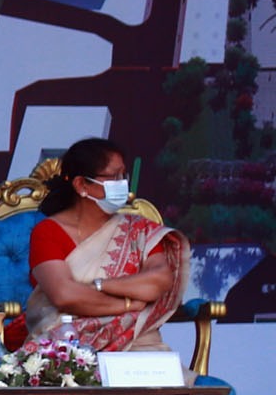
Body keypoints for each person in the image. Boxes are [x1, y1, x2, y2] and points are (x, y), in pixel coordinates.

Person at [22, 136, 189, 351]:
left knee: (163, 371)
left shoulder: (137, 230)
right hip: (68, 346)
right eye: (114, 177)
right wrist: (128, 304)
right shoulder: (48, 232)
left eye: (123, 175)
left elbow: (158, 281)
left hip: (138, 344)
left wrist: (100, 285)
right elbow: (64, 295)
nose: (123, 184)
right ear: (81, 185)